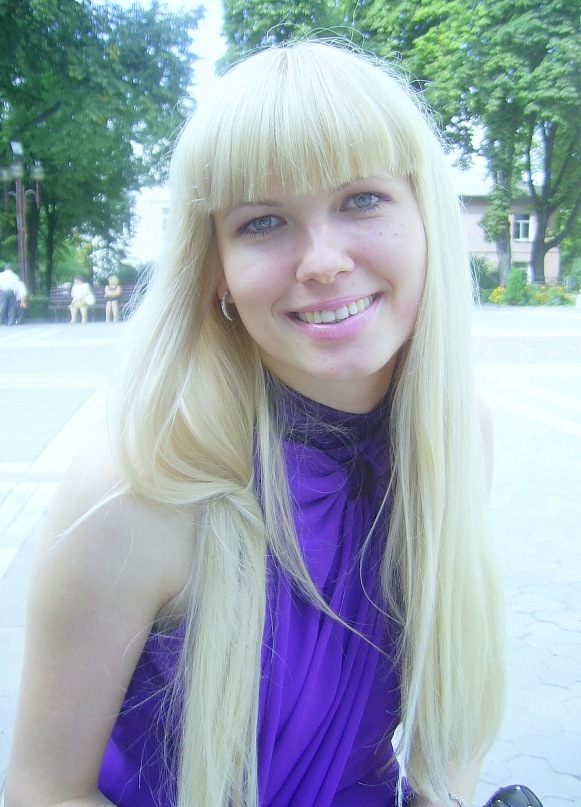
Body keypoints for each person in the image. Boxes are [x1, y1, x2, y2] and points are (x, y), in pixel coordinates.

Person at [5, 42, 506, 807]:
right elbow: (45, 790)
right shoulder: (138, 486)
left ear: (425, 216)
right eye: (263, 220)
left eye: (361, 199)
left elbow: (449, 734)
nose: (322, 261)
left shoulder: (459, 433)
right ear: (216, 272)